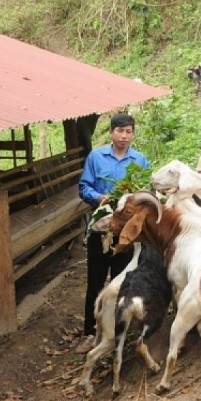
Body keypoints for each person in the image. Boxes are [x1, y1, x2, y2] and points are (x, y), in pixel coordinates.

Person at [75, 112, 149, 354]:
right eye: (120, 131)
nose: (124, 136)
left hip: (126, 232)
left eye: (128, 132)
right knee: (96, 281)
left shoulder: (139, 160)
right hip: (101, 228)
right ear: (111, 132)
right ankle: (89, 333)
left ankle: (118, 331)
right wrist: (99, 197)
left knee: (122, 280)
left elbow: (147, 189)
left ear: (133, 134)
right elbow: (84, 187)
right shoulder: (96, 158)